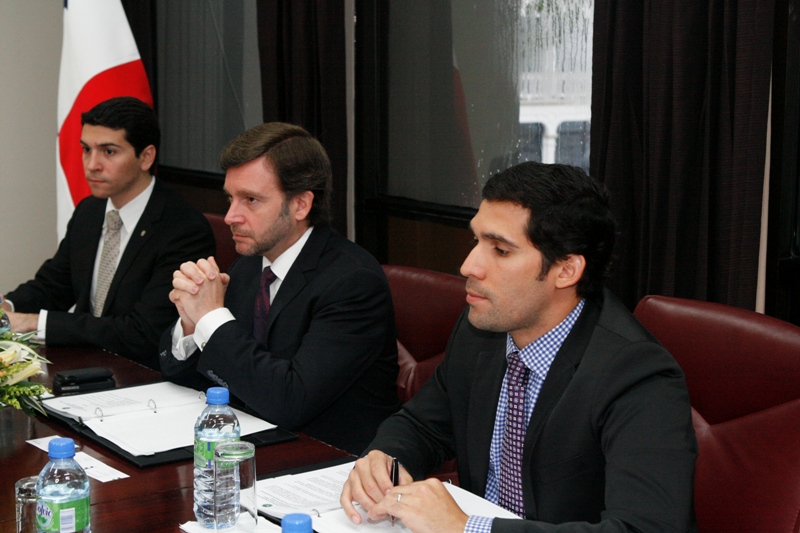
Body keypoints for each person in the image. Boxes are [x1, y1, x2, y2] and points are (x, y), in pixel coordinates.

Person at [340, 162, 698, 532]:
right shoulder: (483, 329)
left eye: (500, 250)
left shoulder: (637, 374)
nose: (468, 266)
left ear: (566, 270)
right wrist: (385, 459)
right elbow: (423, 426)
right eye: (476, 241)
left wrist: (465, 528)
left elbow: (646, 528)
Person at [160, 122, 399, 454]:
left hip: (329, 459)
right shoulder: (250, 265)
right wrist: (192, 322)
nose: (230, 216)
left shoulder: (353, 283)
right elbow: (187, 373)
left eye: (251, 200)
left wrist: (212, 318)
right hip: (258, 444)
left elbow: (290, 401)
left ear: (301, 205)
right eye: (230, 198)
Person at [1, 97, 215, 370]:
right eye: (86, 149)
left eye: (109, 151)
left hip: (142, 374)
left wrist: (32, 323)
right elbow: (54, 285)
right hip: (84, 364)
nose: (92, 164)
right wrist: (7, 308)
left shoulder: (183, 229)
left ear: (146, 157)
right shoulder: (89, 211)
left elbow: (142, 333)